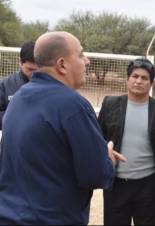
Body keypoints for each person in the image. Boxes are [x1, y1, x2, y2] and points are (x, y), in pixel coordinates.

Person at [0, 31, 122, 225]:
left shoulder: (19, 98)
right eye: (81, 55)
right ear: (62, 64)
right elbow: (95, 175)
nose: (88, 61)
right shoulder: (73, 105)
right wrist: (107, 159)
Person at [98, 58, 155, 225]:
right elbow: (97, 138)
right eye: (135, 76)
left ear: (151, 82)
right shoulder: (110, 104)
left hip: (149, 185)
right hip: (116, 183)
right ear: (128, 78)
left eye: (144, 78)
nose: (138, 81)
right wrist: (106, 150)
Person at [0, 41, 37, 129]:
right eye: (30, 69)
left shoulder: (51, 85)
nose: (34, 74)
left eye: (38, 69)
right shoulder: (5, 84)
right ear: (20, 62)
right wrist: (16, 117)